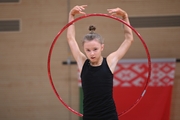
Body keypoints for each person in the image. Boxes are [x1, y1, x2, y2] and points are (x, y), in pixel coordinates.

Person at [67, 5, 133, 120]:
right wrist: (71, 15)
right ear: (84, 49)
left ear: (102, 47)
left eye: (95, 49)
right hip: (89, 116)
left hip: (109, 116)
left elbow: (129, 39)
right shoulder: (82, 62)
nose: (92, 53)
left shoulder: (110, 62)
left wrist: (125, 16)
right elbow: (70, 39)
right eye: (88, 50)